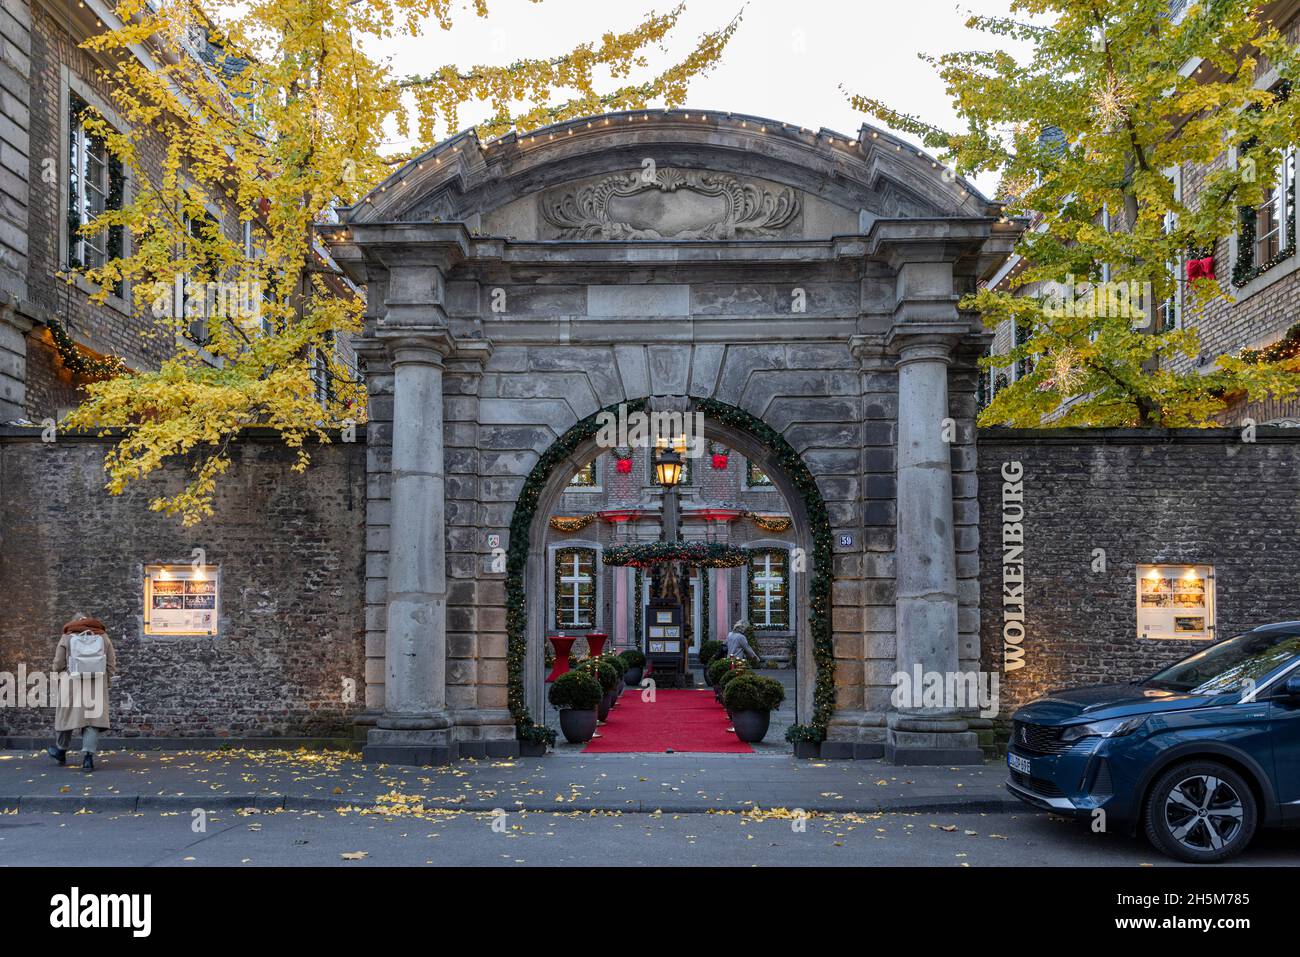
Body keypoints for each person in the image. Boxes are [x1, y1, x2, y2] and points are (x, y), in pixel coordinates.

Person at [47, 615, 115, 772]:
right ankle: (88, 759)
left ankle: (61, 751)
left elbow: (58, 663)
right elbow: (111, 662)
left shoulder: (67, 637)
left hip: (71, 682)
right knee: (92, 721)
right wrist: (107, 680)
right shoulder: (103, 636)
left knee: (65, 716)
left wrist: (61, 675)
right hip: (96, 683)